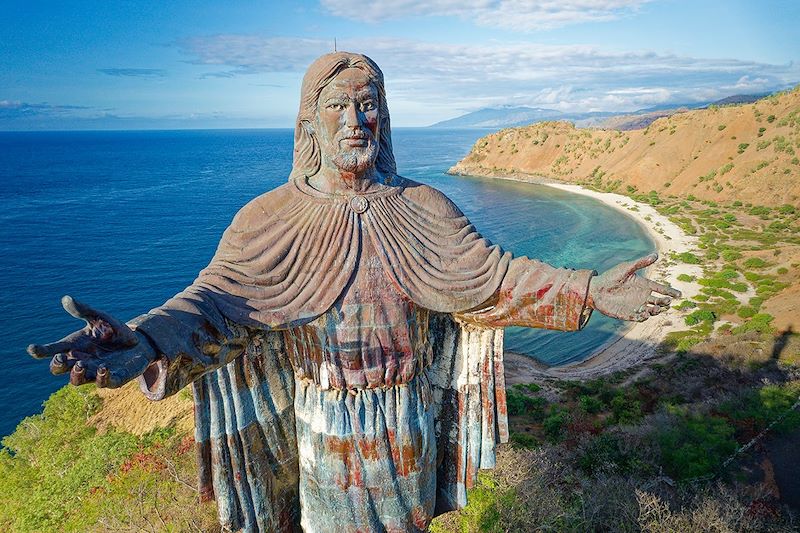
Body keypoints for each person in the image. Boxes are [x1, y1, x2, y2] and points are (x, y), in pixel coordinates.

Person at [28, 52, 679, 533]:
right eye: (338, 107)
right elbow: (214, 304)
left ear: (384, 117)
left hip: (407, 422)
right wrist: (142, 341)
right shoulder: (267, 218)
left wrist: (590, 288)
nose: (355, 120)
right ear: (310, 123)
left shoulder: (424, 206)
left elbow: (493, 278)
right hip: (327, 427)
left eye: (368, 105)